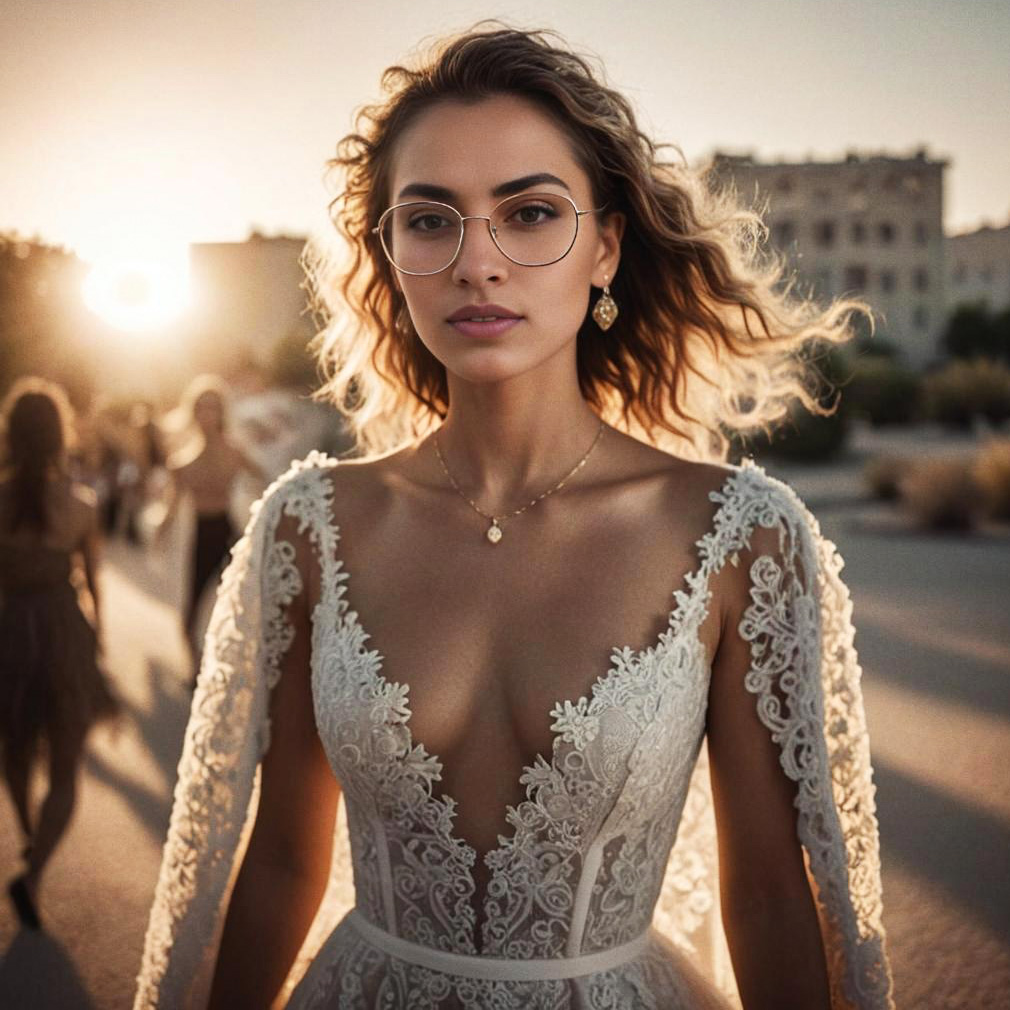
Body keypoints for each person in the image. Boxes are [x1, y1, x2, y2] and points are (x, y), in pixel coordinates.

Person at [135, 26, 894, 1010]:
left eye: (530, 213)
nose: (477, 262)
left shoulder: (739, 537)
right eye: (430, 219)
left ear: (604, 248)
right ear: (391, 254)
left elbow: (764, 897)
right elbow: (282, 859)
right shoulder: (309, 527)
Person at [0, 377, 119, 931]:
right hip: (65, 634)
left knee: (16, 751)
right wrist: (100, 647)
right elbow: (92, 587)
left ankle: (27, 836)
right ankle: (35, 867)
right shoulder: (81, 505)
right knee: (66, 768)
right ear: (59, 436)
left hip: (9, 632)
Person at [156, 375, 266, 670]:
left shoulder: (234, 452)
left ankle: (240, 665)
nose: (207, 413)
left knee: (243, 603)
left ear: (221, 412)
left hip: (230, 532)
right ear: (192, 413)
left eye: (212, 407)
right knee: (191, 610)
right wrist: (158, 533)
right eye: (201, 407)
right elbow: (171, 508)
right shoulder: (182, 464)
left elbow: (266, 481)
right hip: (201, 535)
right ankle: (195, 670)